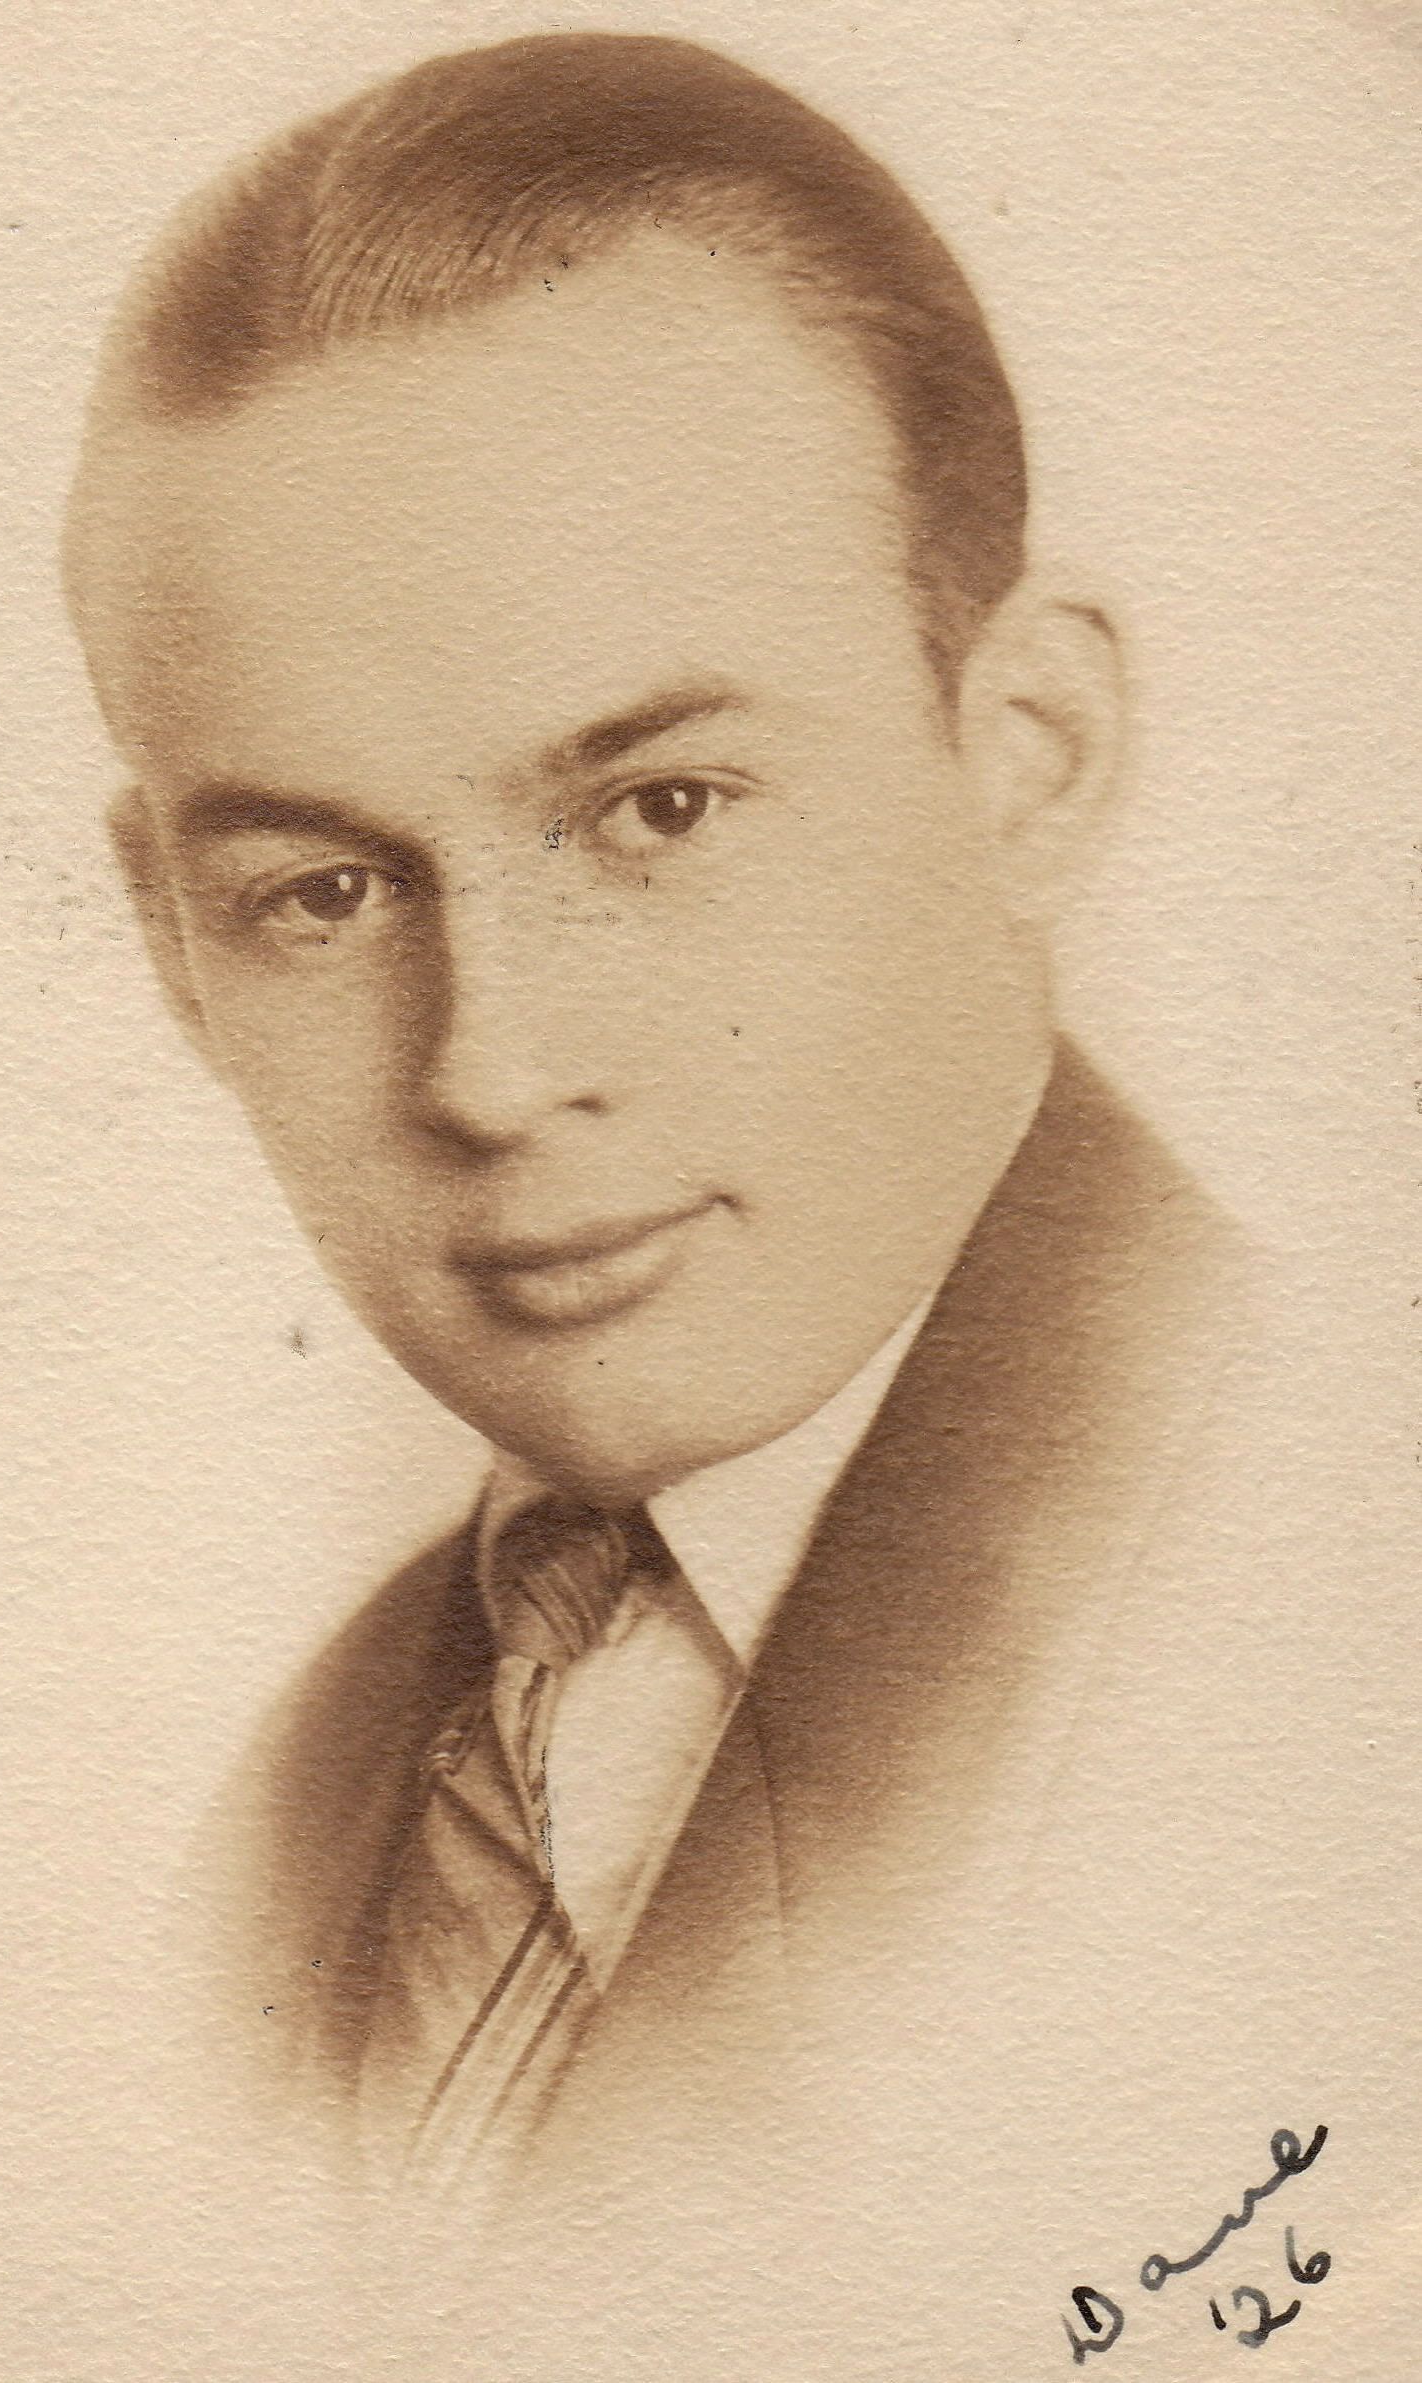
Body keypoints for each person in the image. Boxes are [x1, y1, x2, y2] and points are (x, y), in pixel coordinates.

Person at [63, 31, 1248, 2232]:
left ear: (1031, 754)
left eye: (660, 810)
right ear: (172, 948)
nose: (491, 1072)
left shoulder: (1307, 1595)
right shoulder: (300, 1804)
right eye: (320, 892)